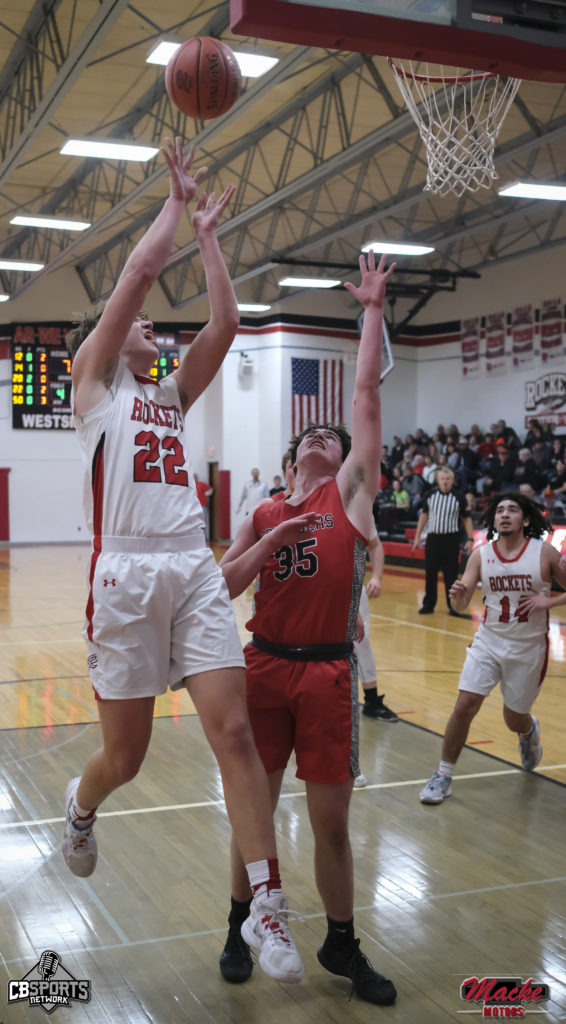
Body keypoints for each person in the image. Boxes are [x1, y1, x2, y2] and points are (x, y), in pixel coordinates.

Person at [62, 138, 303, 985]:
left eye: (150, 325)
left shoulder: (170, 395)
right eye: (136, 323)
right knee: (125, 759)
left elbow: (226, 326)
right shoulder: (94, 387)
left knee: (234, 733)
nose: (147, 326)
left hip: (192, 567)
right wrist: (172, 203)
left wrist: (207, 235)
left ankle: (269, 907)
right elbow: (134, 276)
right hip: (125, 577)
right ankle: (81, 806)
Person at [217, 251, 397, 1005]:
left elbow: (364, 395)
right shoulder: (263, 511)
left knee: (332, 825)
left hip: (326, 672)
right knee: (253, 811)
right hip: (263, 668)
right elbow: (223, 586)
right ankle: (240, 924)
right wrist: (265, 543)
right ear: (291, 460)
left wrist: (372, 310)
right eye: (311, 437)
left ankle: (340, 940)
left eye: (334, 437)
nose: (324, 436)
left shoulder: (349, 498)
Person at [419, 491, 566, 805]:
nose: (505, 514)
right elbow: (460, 604)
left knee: (514, 719)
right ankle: (443, 774)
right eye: (500, 510)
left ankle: (527, 732)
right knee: (464, 705)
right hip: (489, 641)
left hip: (528, 648)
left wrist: (549, 601)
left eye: (512, 510)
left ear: (525, 520)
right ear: (493, 519)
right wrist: (458, 596)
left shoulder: (544, 553)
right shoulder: (481, 555)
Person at [355, 523, 399, 785]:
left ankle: (371, 700)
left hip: (352, 587)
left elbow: (375, 544)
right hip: (312, 584)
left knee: (361, 643)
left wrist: (377, 577)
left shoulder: (358, 506)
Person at [412, 468, 474, 616]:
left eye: (448, 479)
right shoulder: (430, 495)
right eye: (442, 479)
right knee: (430, 574)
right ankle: (428, 604)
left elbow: (467, 519)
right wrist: (417, 537)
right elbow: (424, 516)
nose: (445, 481)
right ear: (438, 480)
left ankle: (453, 606)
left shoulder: (459, 497)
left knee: (451, 575)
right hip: (433, 539)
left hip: (451, 540)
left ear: (452, 480)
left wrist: (470, 539)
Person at [194, 472, 213, 540]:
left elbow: (210, 489)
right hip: (194, 507)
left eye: (196, 477)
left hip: (202, 506)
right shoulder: (191, 485)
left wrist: (206, 494)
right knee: (195, 522)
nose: (195, 479)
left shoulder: (201, 484)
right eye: (194, 477)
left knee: (203, 522)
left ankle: (203, 537)